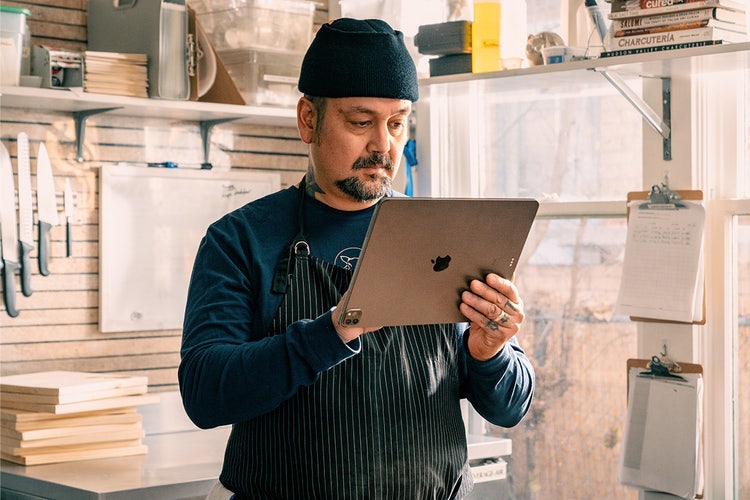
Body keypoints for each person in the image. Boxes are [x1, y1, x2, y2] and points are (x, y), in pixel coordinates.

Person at [179, 18, 534, 500]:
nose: (382, 145)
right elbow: (204, 393)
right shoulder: (241, 240)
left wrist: (490, 351)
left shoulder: (443, 235)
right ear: (309, 119)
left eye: (396, 123)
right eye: (361, 122)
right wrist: (329, 334)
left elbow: (510, 407)